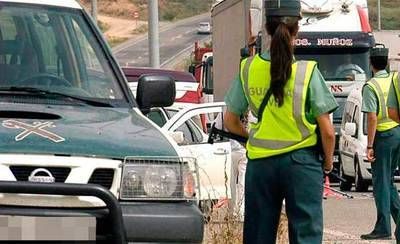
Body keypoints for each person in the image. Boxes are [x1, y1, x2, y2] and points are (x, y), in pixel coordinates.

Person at [223, 0, 337, 243]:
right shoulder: (307, 72)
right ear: (297, 29)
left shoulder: (248, 68)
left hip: (260, 166)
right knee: (306, 235)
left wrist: (250, 138)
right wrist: (327, 163)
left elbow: (230, 120)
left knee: (258, 236)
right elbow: (327, 131)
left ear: (266, 27)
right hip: (302, 164)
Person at [360, 44, 400, 240]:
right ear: (387, 63)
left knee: (381, 184)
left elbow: (372, 118)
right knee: (389, 182)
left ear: (371, 64)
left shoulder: (371, 86)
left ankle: (383, 226)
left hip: (383, 137)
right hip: (398, 132)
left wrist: (369, 145)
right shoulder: (395, 79)